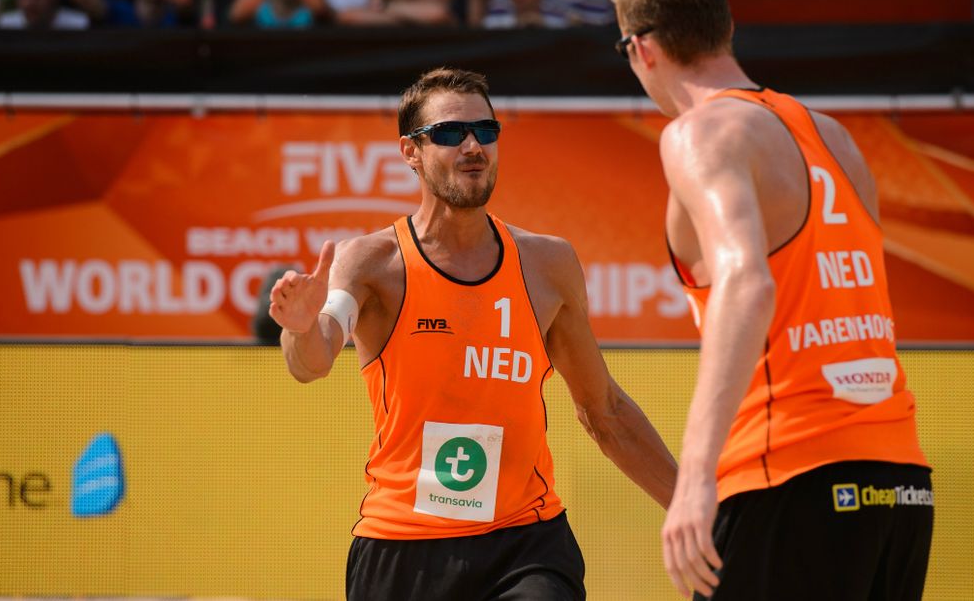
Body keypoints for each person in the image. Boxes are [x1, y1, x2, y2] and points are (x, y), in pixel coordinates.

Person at [268, 67, 677, 600]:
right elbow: (313, 358)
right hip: (403, 548)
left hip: (525, 543)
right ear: (410, 152)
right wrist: (300, 330)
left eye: (485, 131)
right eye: (448, 133)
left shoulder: (547, 264)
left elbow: (606, 412)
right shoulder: (370, 262)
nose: (472, 145)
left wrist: (700, 509)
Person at [609, 0, 934, 599]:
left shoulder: (700, 133)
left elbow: (747, 282)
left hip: (788, 474)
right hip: (900, 481)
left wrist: (696, 477)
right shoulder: (833, 137)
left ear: (640, 49)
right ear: (726, 28)